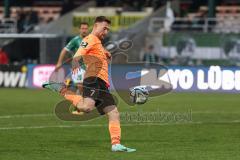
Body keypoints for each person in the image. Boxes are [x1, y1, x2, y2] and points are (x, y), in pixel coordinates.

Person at [44, 16, 136, 152]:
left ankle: (116, 144)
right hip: (93, 79)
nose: (106, 31)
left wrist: (105, 54)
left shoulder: (97, 42)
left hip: (103, 83)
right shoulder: (90, 39)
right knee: (86, 108)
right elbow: (78, 55)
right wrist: (77, 64)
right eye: (104, 28)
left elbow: (96, 53)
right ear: (96, 26)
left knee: (113, 112)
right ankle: (61, 89)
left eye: (108, 29)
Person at [43, 22, 89, 115]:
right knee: (80, 86)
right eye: (82, 28)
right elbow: (64, 50)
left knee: (81, 88)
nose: (84, 30)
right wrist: (59, 62)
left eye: (86, 28)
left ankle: (79, 106)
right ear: (79, 29)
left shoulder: (90, 40)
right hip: (78, 67)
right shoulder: (76, 40)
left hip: (88, 66)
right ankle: (79, 107)